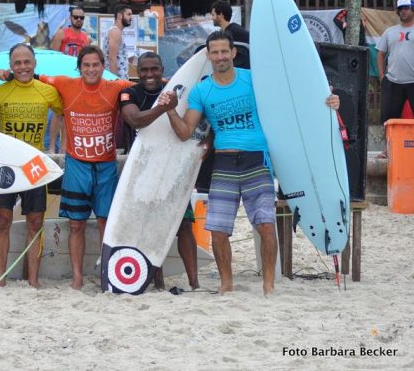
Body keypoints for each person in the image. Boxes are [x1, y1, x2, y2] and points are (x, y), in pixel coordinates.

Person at [160, 31, 339, 296]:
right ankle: (226, 285)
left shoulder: (254, 80)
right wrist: (170, 110)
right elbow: (186, 130)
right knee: (218, 231)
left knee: (266, 225)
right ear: (208, 56)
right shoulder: (202, 90)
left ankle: (268, 285)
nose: (220, 57)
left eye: (224, 51)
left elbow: (290, 99)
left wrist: (326, 100)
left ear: (233, 53)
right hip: (224, 164)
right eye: (214, 52)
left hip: (257, 161)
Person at [36, 46, 134, 289]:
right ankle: (77, 277)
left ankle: (108, 274)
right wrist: (6, 74)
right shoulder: (65, 83)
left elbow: (146, 84)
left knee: (105, 223)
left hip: (106, 167)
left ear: (103, 66)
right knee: (76, 224)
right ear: (79, 67)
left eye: (96, 65)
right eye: (86, 65)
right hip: (77, 166)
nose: (91, 69)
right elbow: (34, 76)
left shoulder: (116, 86)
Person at [118, 51, 200, 290]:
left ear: (162, 69)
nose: (149, 74)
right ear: (138, 72)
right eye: (144, 70)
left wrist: (207, 141)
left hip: (173, 168)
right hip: (142, 170)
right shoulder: (130, 93)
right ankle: (159, 283)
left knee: (184, 225)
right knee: (149, 225)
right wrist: (164, 108)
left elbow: (198, 118)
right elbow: (134, 119)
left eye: (154, 69)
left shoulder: (178, 89)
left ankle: (194, 282)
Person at [0, 43, 63, 287]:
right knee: (3, 221)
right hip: (6, 165)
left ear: (34, 64)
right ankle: (0, 279)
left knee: (35, 222)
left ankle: (33, 280)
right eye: (17, 63)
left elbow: (64, 112)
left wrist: (57, 147)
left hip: (34, 164)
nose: (22, 67)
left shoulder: (47, 91)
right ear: (10, 66)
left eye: (26, 62)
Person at [376, 0, 414, 158]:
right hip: (392, 82)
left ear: (412, 9)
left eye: (406, 8)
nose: (404, 12)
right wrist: (382, 75)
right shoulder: (390, 32)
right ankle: (388, 150)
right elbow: (380, 54)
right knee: (388, 118)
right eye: (401, 9)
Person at [210, 0, 250, 69]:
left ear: (220, 15)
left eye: (213, 15)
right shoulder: (234, 29)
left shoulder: (234, 32)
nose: (212, 18)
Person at [103, 4, 132, 79]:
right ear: (119, 15)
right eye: (128, 14)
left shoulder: (117, 31)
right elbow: (112, 58)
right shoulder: (115, 31)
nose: (131, 18)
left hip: (120, 77)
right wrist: (115, 80)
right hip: (117, 78)